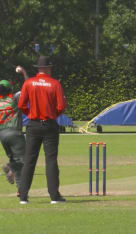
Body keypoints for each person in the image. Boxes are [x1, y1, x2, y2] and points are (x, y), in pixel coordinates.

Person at [17, 56, 67, 204]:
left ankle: (23, 196)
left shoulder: (29, 83)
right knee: (51, 160)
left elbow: (21, 105)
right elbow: (61, 107)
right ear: (47, 68)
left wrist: (32, 115)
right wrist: (51, 116)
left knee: (29, 160)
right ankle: (54, 196)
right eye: (50, 67)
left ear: (38, 69)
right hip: (49, 125)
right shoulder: (55, 84)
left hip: (33, 125)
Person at [0, 80, 25, 195]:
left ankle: (19, 189)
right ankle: (9, 168)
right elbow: (26, 87)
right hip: (14, 132)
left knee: (14, 159)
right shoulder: (14, 99)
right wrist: (24, 72)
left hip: (2, 134)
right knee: (24, 162)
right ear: (10, 89)